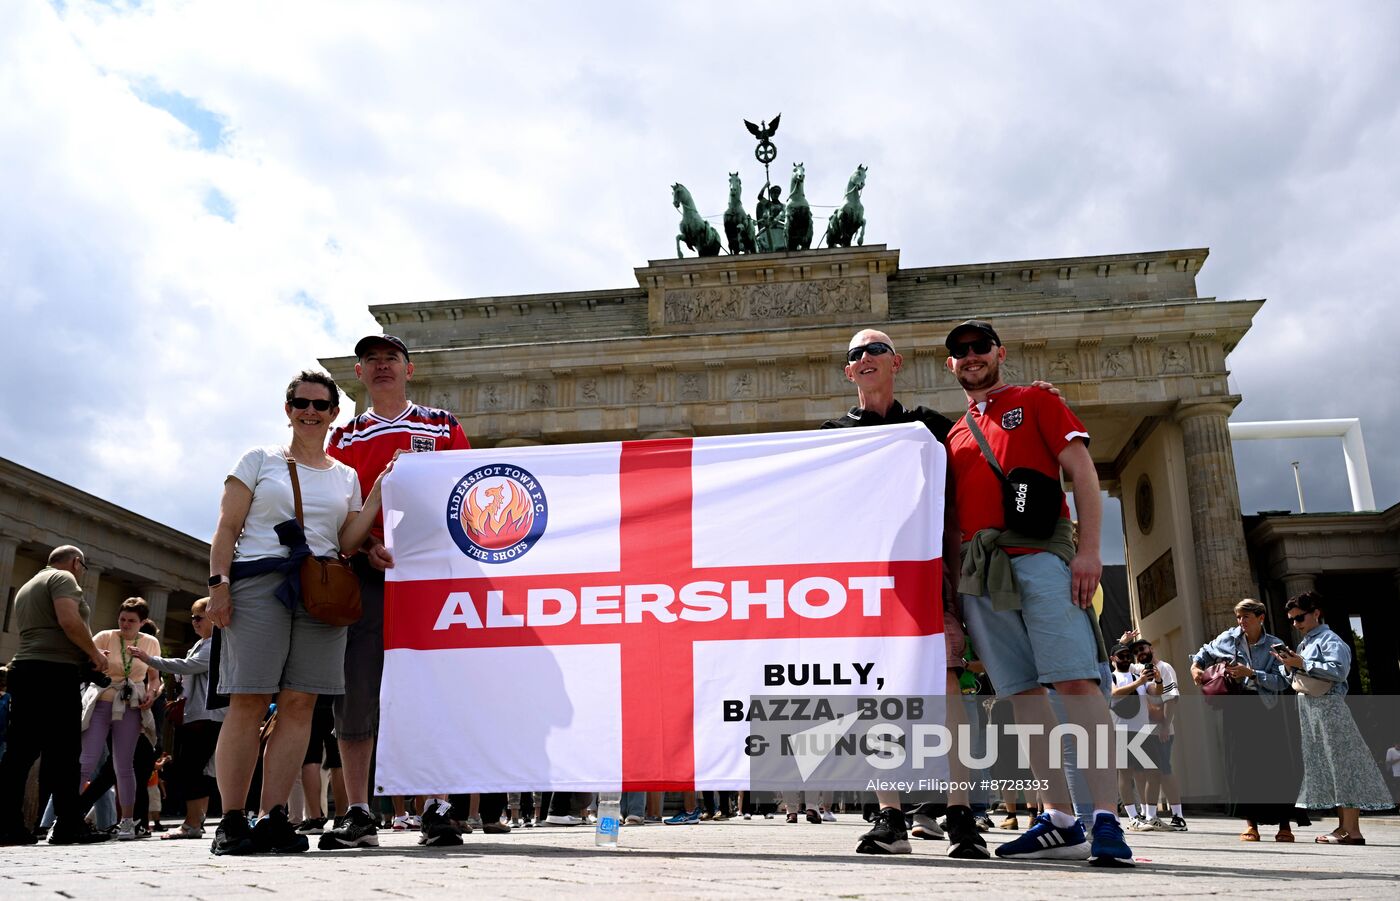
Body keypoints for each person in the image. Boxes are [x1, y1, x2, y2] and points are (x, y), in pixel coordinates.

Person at [943, 319, 1131, 865]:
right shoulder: (954, 435)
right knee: (1022, 694)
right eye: (960, 351)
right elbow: (952, 522)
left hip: (1042, 558)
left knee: (1075, 683)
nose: (972, 355)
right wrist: (952, 598)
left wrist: (1089, 552)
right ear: (950, 364)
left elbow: (1083, 473)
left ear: (999, 352)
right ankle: (1059, 819)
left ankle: (1106, 819)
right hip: (982, 571)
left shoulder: (1037, 400)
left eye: (980, 346)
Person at [315, 335, 493, 851]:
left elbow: (467, 494)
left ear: (408, 369)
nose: (381, 366)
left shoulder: (442, 425)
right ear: (358, 373)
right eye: (371, 360)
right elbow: (338, 511)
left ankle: (437, 806)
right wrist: (369, 547)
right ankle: (357, 810)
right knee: (356, 690)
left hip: (433, 575)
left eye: (390, 358)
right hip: (367, 574)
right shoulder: (343, 435)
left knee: (433, 685)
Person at [206, 370, 389, 855]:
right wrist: (218, 584)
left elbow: (346, 541)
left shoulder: (346, 476)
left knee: (300, 704)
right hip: (260, 583)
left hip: (322, 590)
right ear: (287, 410)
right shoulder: (258, 459)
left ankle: (273, 817)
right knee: (249, 700)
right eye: (301, 403)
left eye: (320, 405)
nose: (310, 411)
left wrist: (375, 495)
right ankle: (231, 820)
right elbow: (227, 527)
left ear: (333, 413)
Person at [820, 328, 986, 859]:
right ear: (848, 371)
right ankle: (890, 815)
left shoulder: (930, 426)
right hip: (864, 583)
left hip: (924, 575)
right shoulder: (832, 434)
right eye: (856, 354)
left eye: (875, 350)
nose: (865, 358)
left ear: (896, 362)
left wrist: (1026, 398)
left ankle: (960, 812)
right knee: (874, 695)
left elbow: (978, 456)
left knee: (946, 685)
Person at [0, 545, 112, 845]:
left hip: (25, 670)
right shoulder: (64, 579)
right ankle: (67, 826)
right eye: (83, 568)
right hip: (54, 674)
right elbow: (69, 620)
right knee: (64, 755)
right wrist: (94, 654)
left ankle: (8, 826)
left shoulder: (29, 585)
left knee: (19, 753)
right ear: (76, 563)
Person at [1272, 591, 1391, 845]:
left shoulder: (1330, 639)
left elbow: (1339, 671)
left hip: (1330, 710)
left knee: (1344, 766)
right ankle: (1343, 828)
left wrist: (1302, 663)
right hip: (1313, 711)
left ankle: (1352, 831)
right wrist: (1289, 665)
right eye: (1292, 620)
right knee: (1332, 768)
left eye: (1300, 617)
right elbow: (1300, 676)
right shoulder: (1306, 643)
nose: (1296, 624)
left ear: (1316, 613)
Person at [1189, 598, 1301, 841]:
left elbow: (1283, 682)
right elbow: (1204, 652)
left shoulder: (1275, 645)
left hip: (1266, 709)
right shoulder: (1228, 638)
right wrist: (1195, 667)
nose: (1241, 622)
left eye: (1246, 617)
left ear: (1260, 618)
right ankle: (1251, 825)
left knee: (1275, 766)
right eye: (1238, 617)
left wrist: (1252, 673)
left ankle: (1284, 826)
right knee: (1241, 765)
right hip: (1236, 708)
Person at [129, 596, 225, 840]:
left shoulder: (216, 643)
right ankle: (195, 821)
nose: (194, 621)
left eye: (199, 617)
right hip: (198, 714)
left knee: (190, 769)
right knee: (199, 770)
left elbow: (187, 666)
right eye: (192, 617)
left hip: (206, 715)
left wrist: (150, 660)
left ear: (214, 618)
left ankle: (192, 823)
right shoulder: (203, 643)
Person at [81, 597, 162, 840]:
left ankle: (128, 821)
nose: (125, 624)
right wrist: (96, 660)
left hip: (130, 705)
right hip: (102, 701)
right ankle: (67, 817)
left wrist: (152, 694)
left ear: (142, 622)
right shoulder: (105, 636)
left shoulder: (150, 642)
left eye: (131, 621)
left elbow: (155, 677)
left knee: (124, 765)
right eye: (122, 619)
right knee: (86, 761)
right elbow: (84, 665)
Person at [1131, 637, 1186, 831]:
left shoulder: (1165, 668)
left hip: (1160, 730)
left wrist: (1165, 725)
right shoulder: (1139, 670)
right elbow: (1117, 662)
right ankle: (1148, 815)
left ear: (1151, 648)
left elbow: (1171, 699)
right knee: (1144, 773)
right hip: (1143, 731)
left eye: (1142, 648)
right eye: (1136, 651)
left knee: (1164, 771)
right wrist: (1123, 642)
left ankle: (1178, 816)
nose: (1140, 653)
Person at [1107, 643, 1151, 831]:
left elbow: (1156, 693)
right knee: (1125, 772)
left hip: (1141, 729)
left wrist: (1157, 680)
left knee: (1142, 773)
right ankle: (1132, 817)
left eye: (1128, 656)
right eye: (1121, 656)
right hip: (1120, 730)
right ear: (1113, 659)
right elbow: (1114, 693)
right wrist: (1139, 683)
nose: (1125, 659)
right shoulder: (1111, 676)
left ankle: (1147, 815)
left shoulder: (1138, 676)